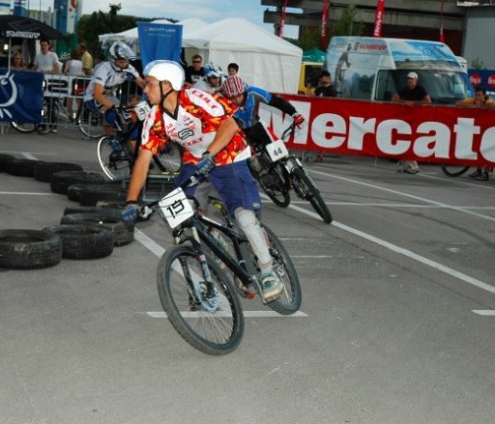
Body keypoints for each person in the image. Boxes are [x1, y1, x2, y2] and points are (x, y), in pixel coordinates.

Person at [121, 60, 285, 302]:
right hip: (196, 160)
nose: (145, 89)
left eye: (150, 85)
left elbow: (230, 124)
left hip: (229, 153)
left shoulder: (195, 98)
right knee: (177, 213)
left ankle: (268, 270)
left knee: (243, 214)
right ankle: (214, 248)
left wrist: (211, 154)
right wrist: (132, 202)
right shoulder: (155, 118)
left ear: (167, 85)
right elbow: (143, 160)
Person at [82, 41, 145, 140]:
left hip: (110, 95)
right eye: (121, 62)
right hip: (93, 96)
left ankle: (128, 137)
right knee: (112, 113)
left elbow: (141, 83)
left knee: (129, 114)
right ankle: (110, 138)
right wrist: (113, 107)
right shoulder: (104, 69)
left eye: (126, 61)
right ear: (112, 60)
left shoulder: (128, 67)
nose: (124, 64)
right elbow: (97, 94)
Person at [392, 71, 431, 174]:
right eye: (408, 78)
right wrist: (404, 102)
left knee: (412, 140)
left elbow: (428, 101)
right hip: (406, 120)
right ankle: (404, 163)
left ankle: (412, 164)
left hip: (417, 119)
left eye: (411, 79)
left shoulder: (420, 89)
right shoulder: (405, 89)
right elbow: (394, 98)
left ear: (416, 80)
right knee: (405, 140)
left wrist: (414, 103)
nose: (409, 80)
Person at [456, 87, 495, 181]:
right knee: (477, 149)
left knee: (487, 151)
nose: (477, 97)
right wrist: (472, 105)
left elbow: (494, 107)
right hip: (478, 130)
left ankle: (486, 173)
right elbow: (458, 103)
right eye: (476, 95)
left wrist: (481, 106)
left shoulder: (489, 102)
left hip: (489, 131)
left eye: (479, 95)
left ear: (484, 96)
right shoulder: (473, 100)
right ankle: (478, 170)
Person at [313, 70, 338, 162]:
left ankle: (320, 154)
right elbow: (311, 97)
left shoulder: (332, 91)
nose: (320, 79)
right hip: (317, 115)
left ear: (327, 78)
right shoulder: (319, 89)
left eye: (322, 77)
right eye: (320, 77)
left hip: (327, 116)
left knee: (323, 135)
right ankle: (319, 153)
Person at [64, 49, 85, 120]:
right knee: (78, 99)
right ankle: (78, 115)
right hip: (79, 81)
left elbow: (65, 71)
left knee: (70, 99)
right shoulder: (80, 62)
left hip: (70, 81)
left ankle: (69, 114)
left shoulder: (69, 62)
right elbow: (81, 71)